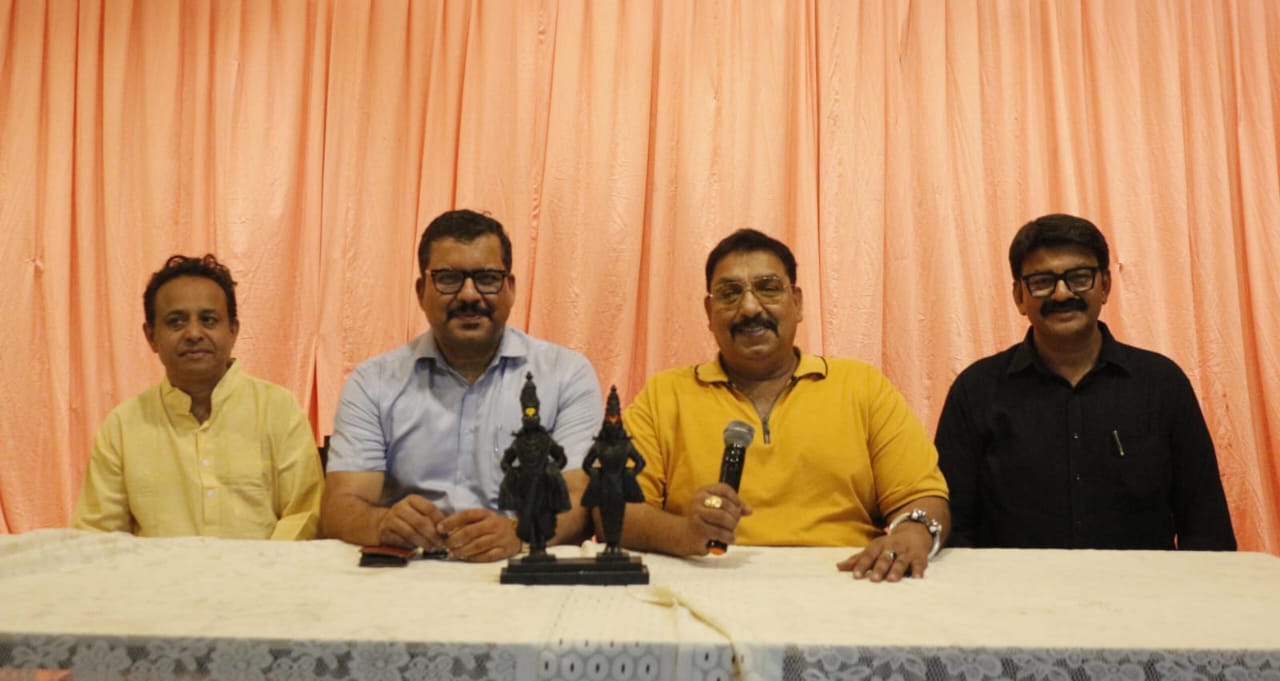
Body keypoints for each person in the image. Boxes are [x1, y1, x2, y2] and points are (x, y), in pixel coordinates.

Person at [620, 229, 950, 582]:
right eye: (730, 293)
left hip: (846, 581)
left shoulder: (862, 387)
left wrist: (911, 534)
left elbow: (924, 495)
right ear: (709, 311)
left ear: (797, 302)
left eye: (768, 288)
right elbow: (615, 509)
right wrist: (685, 533)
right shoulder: (665, 395)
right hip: (706, 581)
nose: (750, 308)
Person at [934, 213, 1235, 550]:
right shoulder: (976, 390)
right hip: (1013, 585)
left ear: (1105, 285)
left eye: (1079, 278)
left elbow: (1206, 525)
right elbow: (952, 526)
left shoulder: (1162, 385)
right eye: (1042, 281)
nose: (1062, 294)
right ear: (1019, 296)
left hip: (1144, 584)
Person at [321, 209, 603, 562]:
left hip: (521, 570)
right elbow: (340, 507)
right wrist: (381, 523)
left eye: (487, 278)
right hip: (407, 573)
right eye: (449, 278)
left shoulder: (565, 375)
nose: (469, 295)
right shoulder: (373, 382)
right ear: (421, 291)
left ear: (511, 288)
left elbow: (580, 502)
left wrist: (521, 532)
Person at [72, 254, 323, 539]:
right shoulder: (122, 426)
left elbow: (303, 515)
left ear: (233, 331)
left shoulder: (278, 410)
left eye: (208, 320)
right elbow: (97, 535)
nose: (193, 333)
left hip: (266, 568)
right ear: (151, 336)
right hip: (157, 570)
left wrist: (263, 567)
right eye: (176, 322)